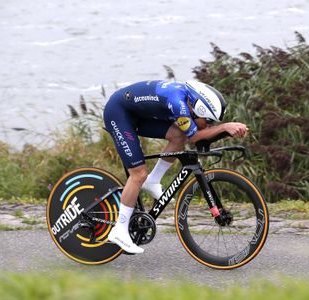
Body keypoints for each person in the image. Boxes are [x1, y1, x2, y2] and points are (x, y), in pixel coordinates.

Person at [103, 80, 248, 254]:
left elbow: (193, 134)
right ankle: (119, 230)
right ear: (198, 109)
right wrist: (224, 127)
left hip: (137, 114)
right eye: (208, 121)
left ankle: (153, 181)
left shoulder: (187, 101)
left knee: (179, 136)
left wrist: (221, 129)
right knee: (138, 174)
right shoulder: (178, 103)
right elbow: (196, 137)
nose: (209, 126)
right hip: (118, 113)